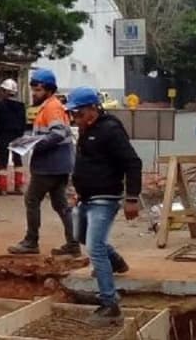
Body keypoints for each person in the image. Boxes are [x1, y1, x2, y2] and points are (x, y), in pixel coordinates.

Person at [67, 86, 141, 324]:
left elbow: (133, 163)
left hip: (105, 197)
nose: (75, 118)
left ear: (92, 109)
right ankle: (115, 261)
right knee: (80, 236)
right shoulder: (86, 129)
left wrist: (132, 198)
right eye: (73, 115)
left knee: (95, 246)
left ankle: (110, 305)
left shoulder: (110, 131)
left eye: (78, 113)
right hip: (87, 196)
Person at [8, 69, 79, 257]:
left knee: (31, 199)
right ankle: (73, 243)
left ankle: (31, 241)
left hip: (49, 166)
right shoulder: (51, 106)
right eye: (33, 90)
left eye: (38, 90)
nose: (34, 94)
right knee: (60, 205)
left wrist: (34, 143)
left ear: (48, 90)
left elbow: (58, 133)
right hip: (59, 165)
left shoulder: (52, 108)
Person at [0, 78, 26, 195]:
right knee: (18, 161)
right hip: (17, 136)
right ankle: (18, 187)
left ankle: (3, 188)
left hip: (4, 136)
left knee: (2, 162)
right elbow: (23, 123)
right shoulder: (21, 106)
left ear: (4, 91)